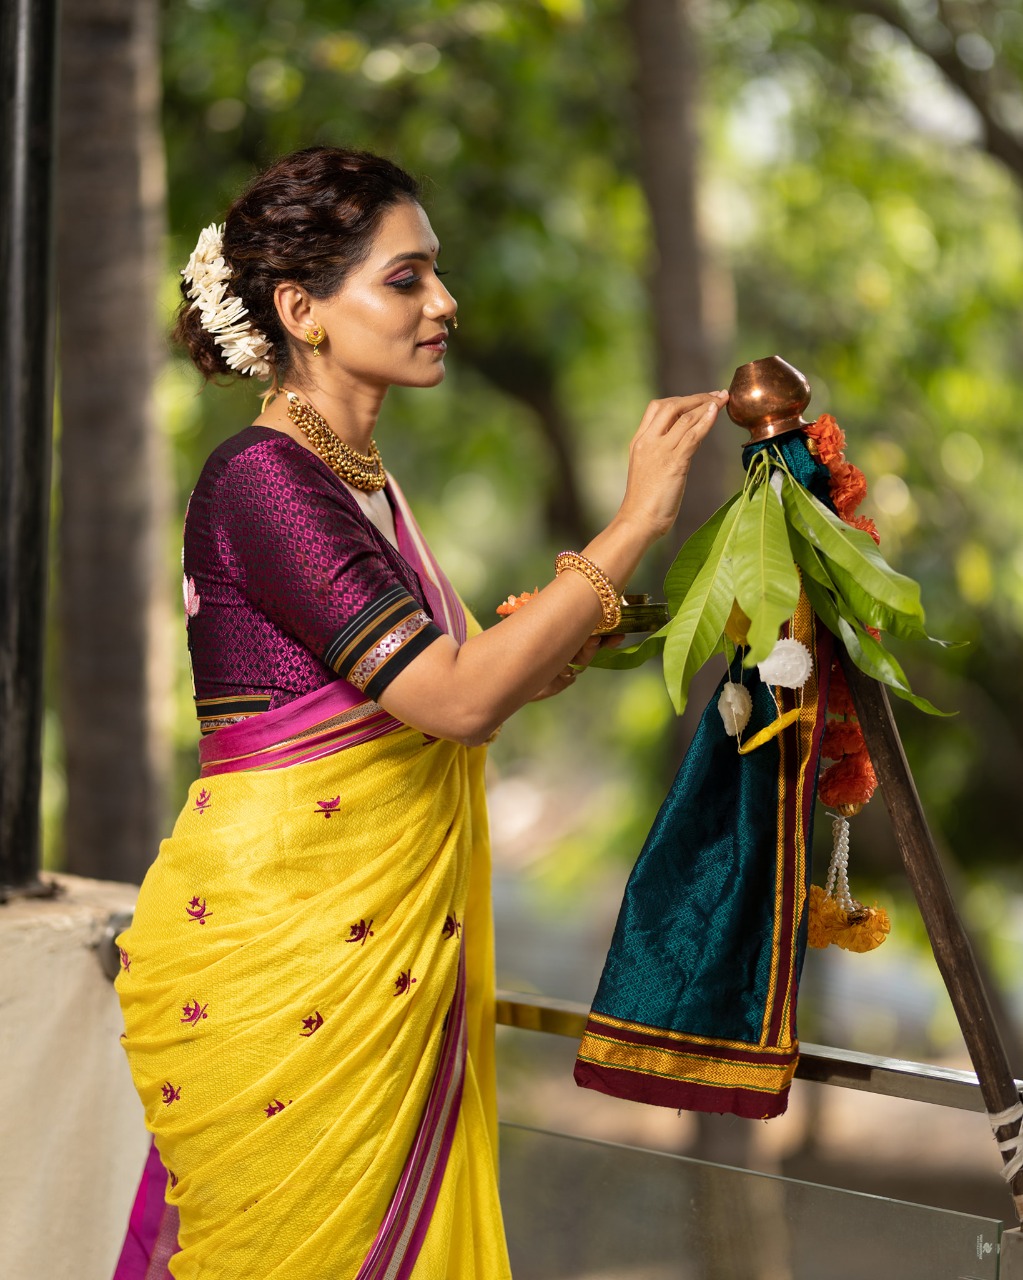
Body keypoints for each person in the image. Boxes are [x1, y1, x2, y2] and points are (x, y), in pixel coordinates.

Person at [113, 144, 726, 1280]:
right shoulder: (261, 479)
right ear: (303, 309)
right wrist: (633, 524)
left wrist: (560, 638)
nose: (443, 301)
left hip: (375, 971)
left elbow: (444, 691)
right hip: (285, 964)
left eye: (434, 274)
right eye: (406, 279)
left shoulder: (362, 480)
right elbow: (451, 698)